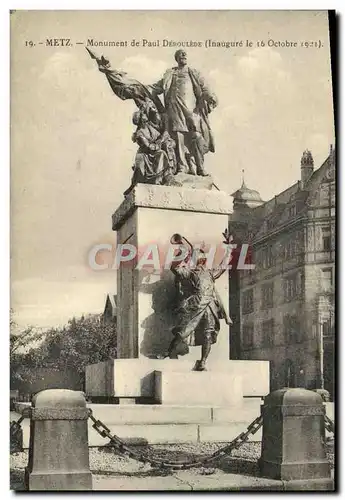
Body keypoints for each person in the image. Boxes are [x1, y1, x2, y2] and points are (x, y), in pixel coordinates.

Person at [149, 50, 218, 176]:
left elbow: (205, 88)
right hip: (175, 109)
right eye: (181, 54)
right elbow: (155, 88)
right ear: (176, 58)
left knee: (196, 136)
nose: (184, 55)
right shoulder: (170, 74)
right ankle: (182, 166)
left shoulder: (193, 73)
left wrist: (211, 97)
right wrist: (143, 89)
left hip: (191, 110)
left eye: (185, 54)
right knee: (179, 137)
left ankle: (200, 166)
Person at [167, 245, 231, 371]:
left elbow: (224, 265)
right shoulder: (189, 273)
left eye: (202, 259)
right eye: (198, 259)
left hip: (210, 306)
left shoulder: (210, 273)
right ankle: (170, 351)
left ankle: (202, 362)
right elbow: (174, 268)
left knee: (208, 334)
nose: (201, 262)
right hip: (195, 306)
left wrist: (229, 248)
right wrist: (182, 255)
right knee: (184, 331)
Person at [124, 101, 177, 195]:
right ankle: (157, 179)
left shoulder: (150, 127)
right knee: (161, 154)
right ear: (140, 120)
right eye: (143, 116)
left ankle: (166, 177)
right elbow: (148, 146)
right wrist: (159, 143)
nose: (145, 116)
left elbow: (160, 133)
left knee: (162, 153)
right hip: (146, 154)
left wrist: (162, 139)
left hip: (154, 152)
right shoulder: (140, 133)